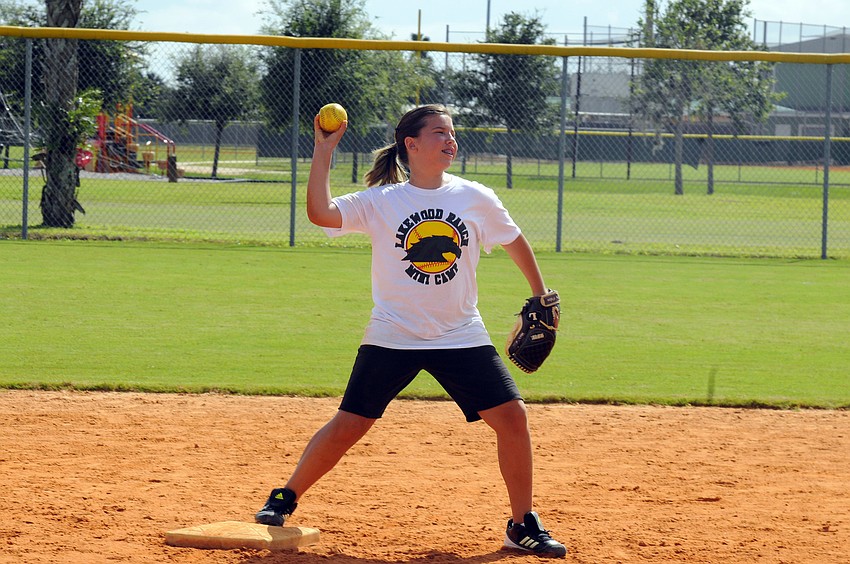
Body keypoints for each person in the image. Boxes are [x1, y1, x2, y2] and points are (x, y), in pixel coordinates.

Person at [255, 104, 567, 558]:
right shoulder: (383, 201)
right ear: (412, 145)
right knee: (350, 423)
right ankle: (284, 497)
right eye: (439, 132)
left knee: (512, 417)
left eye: (452, 133)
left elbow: (513, 238)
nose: (450, 139)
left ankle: (522, 524)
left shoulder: (475, 196)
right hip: (393, 333)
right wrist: (323, 150)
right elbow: (321, 214)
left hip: (460, 333)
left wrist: (541, 294)